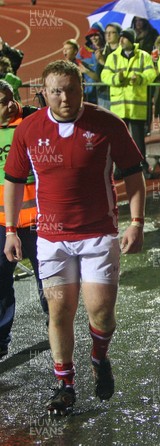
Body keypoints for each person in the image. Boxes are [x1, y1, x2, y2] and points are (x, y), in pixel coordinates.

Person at [3, 60, 146, 415]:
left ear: (82, 89)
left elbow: (133, 174)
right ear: (44, 93)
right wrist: (10, 230)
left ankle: (99, 356)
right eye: (55, 91)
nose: (64, 97)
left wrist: (137, 222)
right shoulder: (29, 129)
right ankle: (65, 385)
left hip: (98, 235)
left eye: (70, 89)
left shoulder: (109, 124)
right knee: (60, 311)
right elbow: (14, 181)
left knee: (101, 314)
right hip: (51, 239)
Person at [0, 80, 46, 360]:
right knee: (1, 282)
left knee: (48, 280)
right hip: (4, 223)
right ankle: (1, 340)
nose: (8, 105)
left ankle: (57, 326)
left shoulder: (31, 119)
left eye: (9, 99)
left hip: (40, 221)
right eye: (1, 102)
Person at [101, 28, 157, 179]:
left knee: (138, 141)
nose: (121, 40)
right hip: (119, 107)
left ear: (131, 41)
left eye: (124, 38)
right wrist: (117, 78)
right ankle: (120, 168)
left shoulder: (143, 56)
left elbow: (151, 74)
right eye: (120, 38)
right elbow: (105, 76)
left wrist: (139, 78)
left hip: (136, 105)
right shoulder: (113, 57)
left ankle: (141, 167)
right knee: (120, 140)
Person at [96, 22, 122, 110]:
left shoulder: (122, 52)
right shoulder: (102, 52)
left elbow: (120, 71)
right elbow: (99, 75)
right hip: (103, 93)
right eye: (106, 33)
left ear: (119, 35)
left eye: (112, 32)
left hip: (118, 93)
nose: (108, 35)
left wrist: (103, 63)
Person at [77, 22, 105, 104]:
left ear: (102, 36)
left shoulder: (108, 50)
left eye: (96, 35)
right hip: (88, 94)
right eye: (91, 36)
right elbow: (78, 69)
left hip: (104, 94)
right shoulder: (83, 52)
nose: (93, 38)